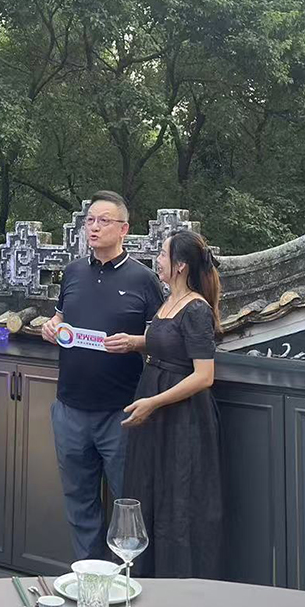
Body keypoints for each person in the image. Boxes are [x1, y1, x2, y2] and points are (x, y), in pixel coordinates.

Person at [40, 191, 164, 561]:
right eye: (90, 220)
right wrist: (51, 326)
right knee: (79, 502)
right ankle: (88, 577)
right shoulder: (73, 272)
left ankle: (129, 580)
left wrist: (135, 342)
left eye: (103, 221)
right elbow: (60, 319)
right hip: (70, 409)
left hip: (121, 413)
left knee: (129, 503)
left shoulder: (143, 279)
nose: (94, 227)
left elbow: (163, 340)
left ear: (124, 229)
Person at [120, 227, 223, 578]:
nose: (157, 261)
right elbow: (169, 343)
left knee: (177, 499)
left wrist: (155, 402)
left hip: (182, 417)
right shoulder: (169, 300)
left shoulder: (196, 308)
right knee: (148, 491)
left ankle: (177, 582)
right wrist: (135, 342)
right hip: (154, 407)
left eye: (163, 255)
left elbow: (204, 375)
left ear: (180, 265)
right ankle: (143, 576)